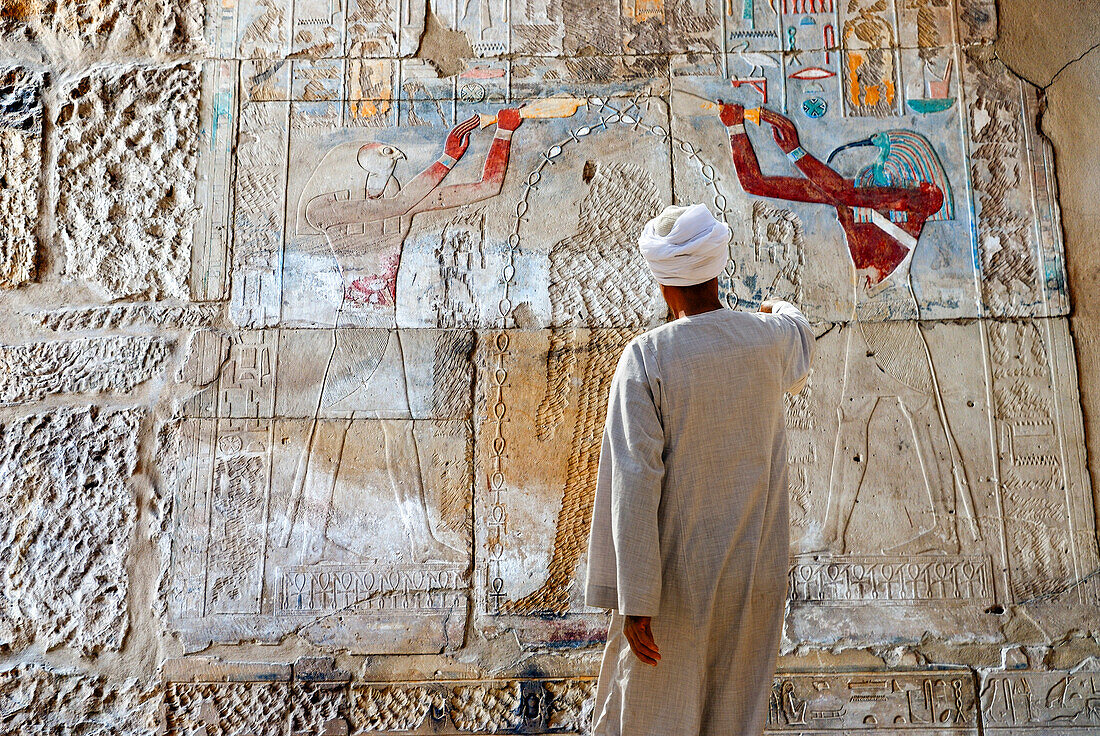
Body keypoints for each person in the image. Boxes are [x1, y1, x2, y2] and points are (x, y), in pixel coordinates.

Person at [585, 203, 815, 736]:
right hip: (753, 573)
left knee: (652, 712)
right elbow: (798, 333)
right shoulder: (767, 340)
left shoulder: (647, 357)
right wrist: (775, 306)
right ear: (717, 268)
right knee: (734, 708)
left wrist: (636, 599)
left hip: (675, 581)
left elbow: (633, 480)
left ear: (664, 286)